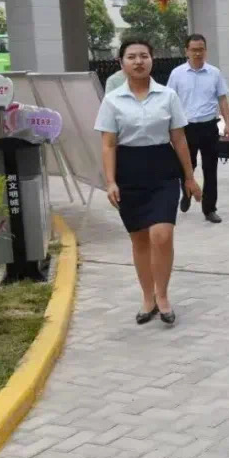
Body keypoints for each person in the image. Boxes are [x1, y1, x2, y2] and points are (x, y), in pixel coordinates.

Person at [94, 38, 202, 326]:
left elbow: (179, 139)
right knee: (140, 239)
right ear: (121, 63)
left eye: (144, 55)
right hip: (128, 172)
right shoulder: (112, 100)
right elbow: (108, 144)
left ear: (152, 60)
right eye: (132, 57)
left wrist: (189, 177)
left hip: (163, 169)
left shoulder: (168, 96)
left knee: (162, 235)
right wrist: (110, 181)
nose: (138, 61)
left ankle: (162, 295)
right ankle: (147, 297)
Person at [166, 34, 229, 224]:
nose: (198, 53)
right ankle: (186, 192)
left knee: (210, 169)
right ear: (186, 51)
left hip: (209, 126)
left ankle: (209, 208)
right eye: (194, 50)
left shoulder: (214, 73)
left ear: (206, 51)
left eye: (201, 49)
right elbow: (169, 101)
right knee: (186, 166)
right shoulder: (177, 74)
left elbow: (222, 99)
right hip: (185, 129)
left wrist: (227, 123)